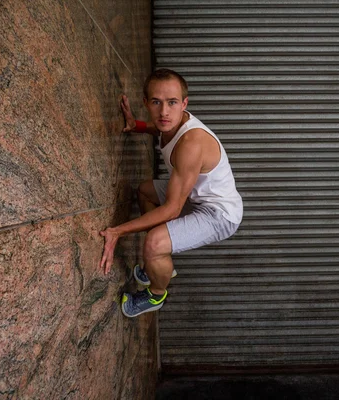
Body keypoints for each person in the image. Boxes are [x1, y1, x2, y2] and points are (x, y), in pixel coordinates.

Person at [99, 68, 243, 318]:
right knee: (145, 191)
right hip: (194, 196)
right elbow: (162, 128)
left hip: (220, 214)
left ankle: (156, 294)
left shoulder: (191, 143)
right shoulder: (173, 121)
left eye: (172, 103)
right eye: (156, 102)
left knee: (154, 242)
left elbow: (173, 208)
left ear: (184, 104)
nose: (164, 112)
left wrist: (117, 231)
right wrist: (137, 125)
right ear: (146, 102)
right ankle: (160, 256)